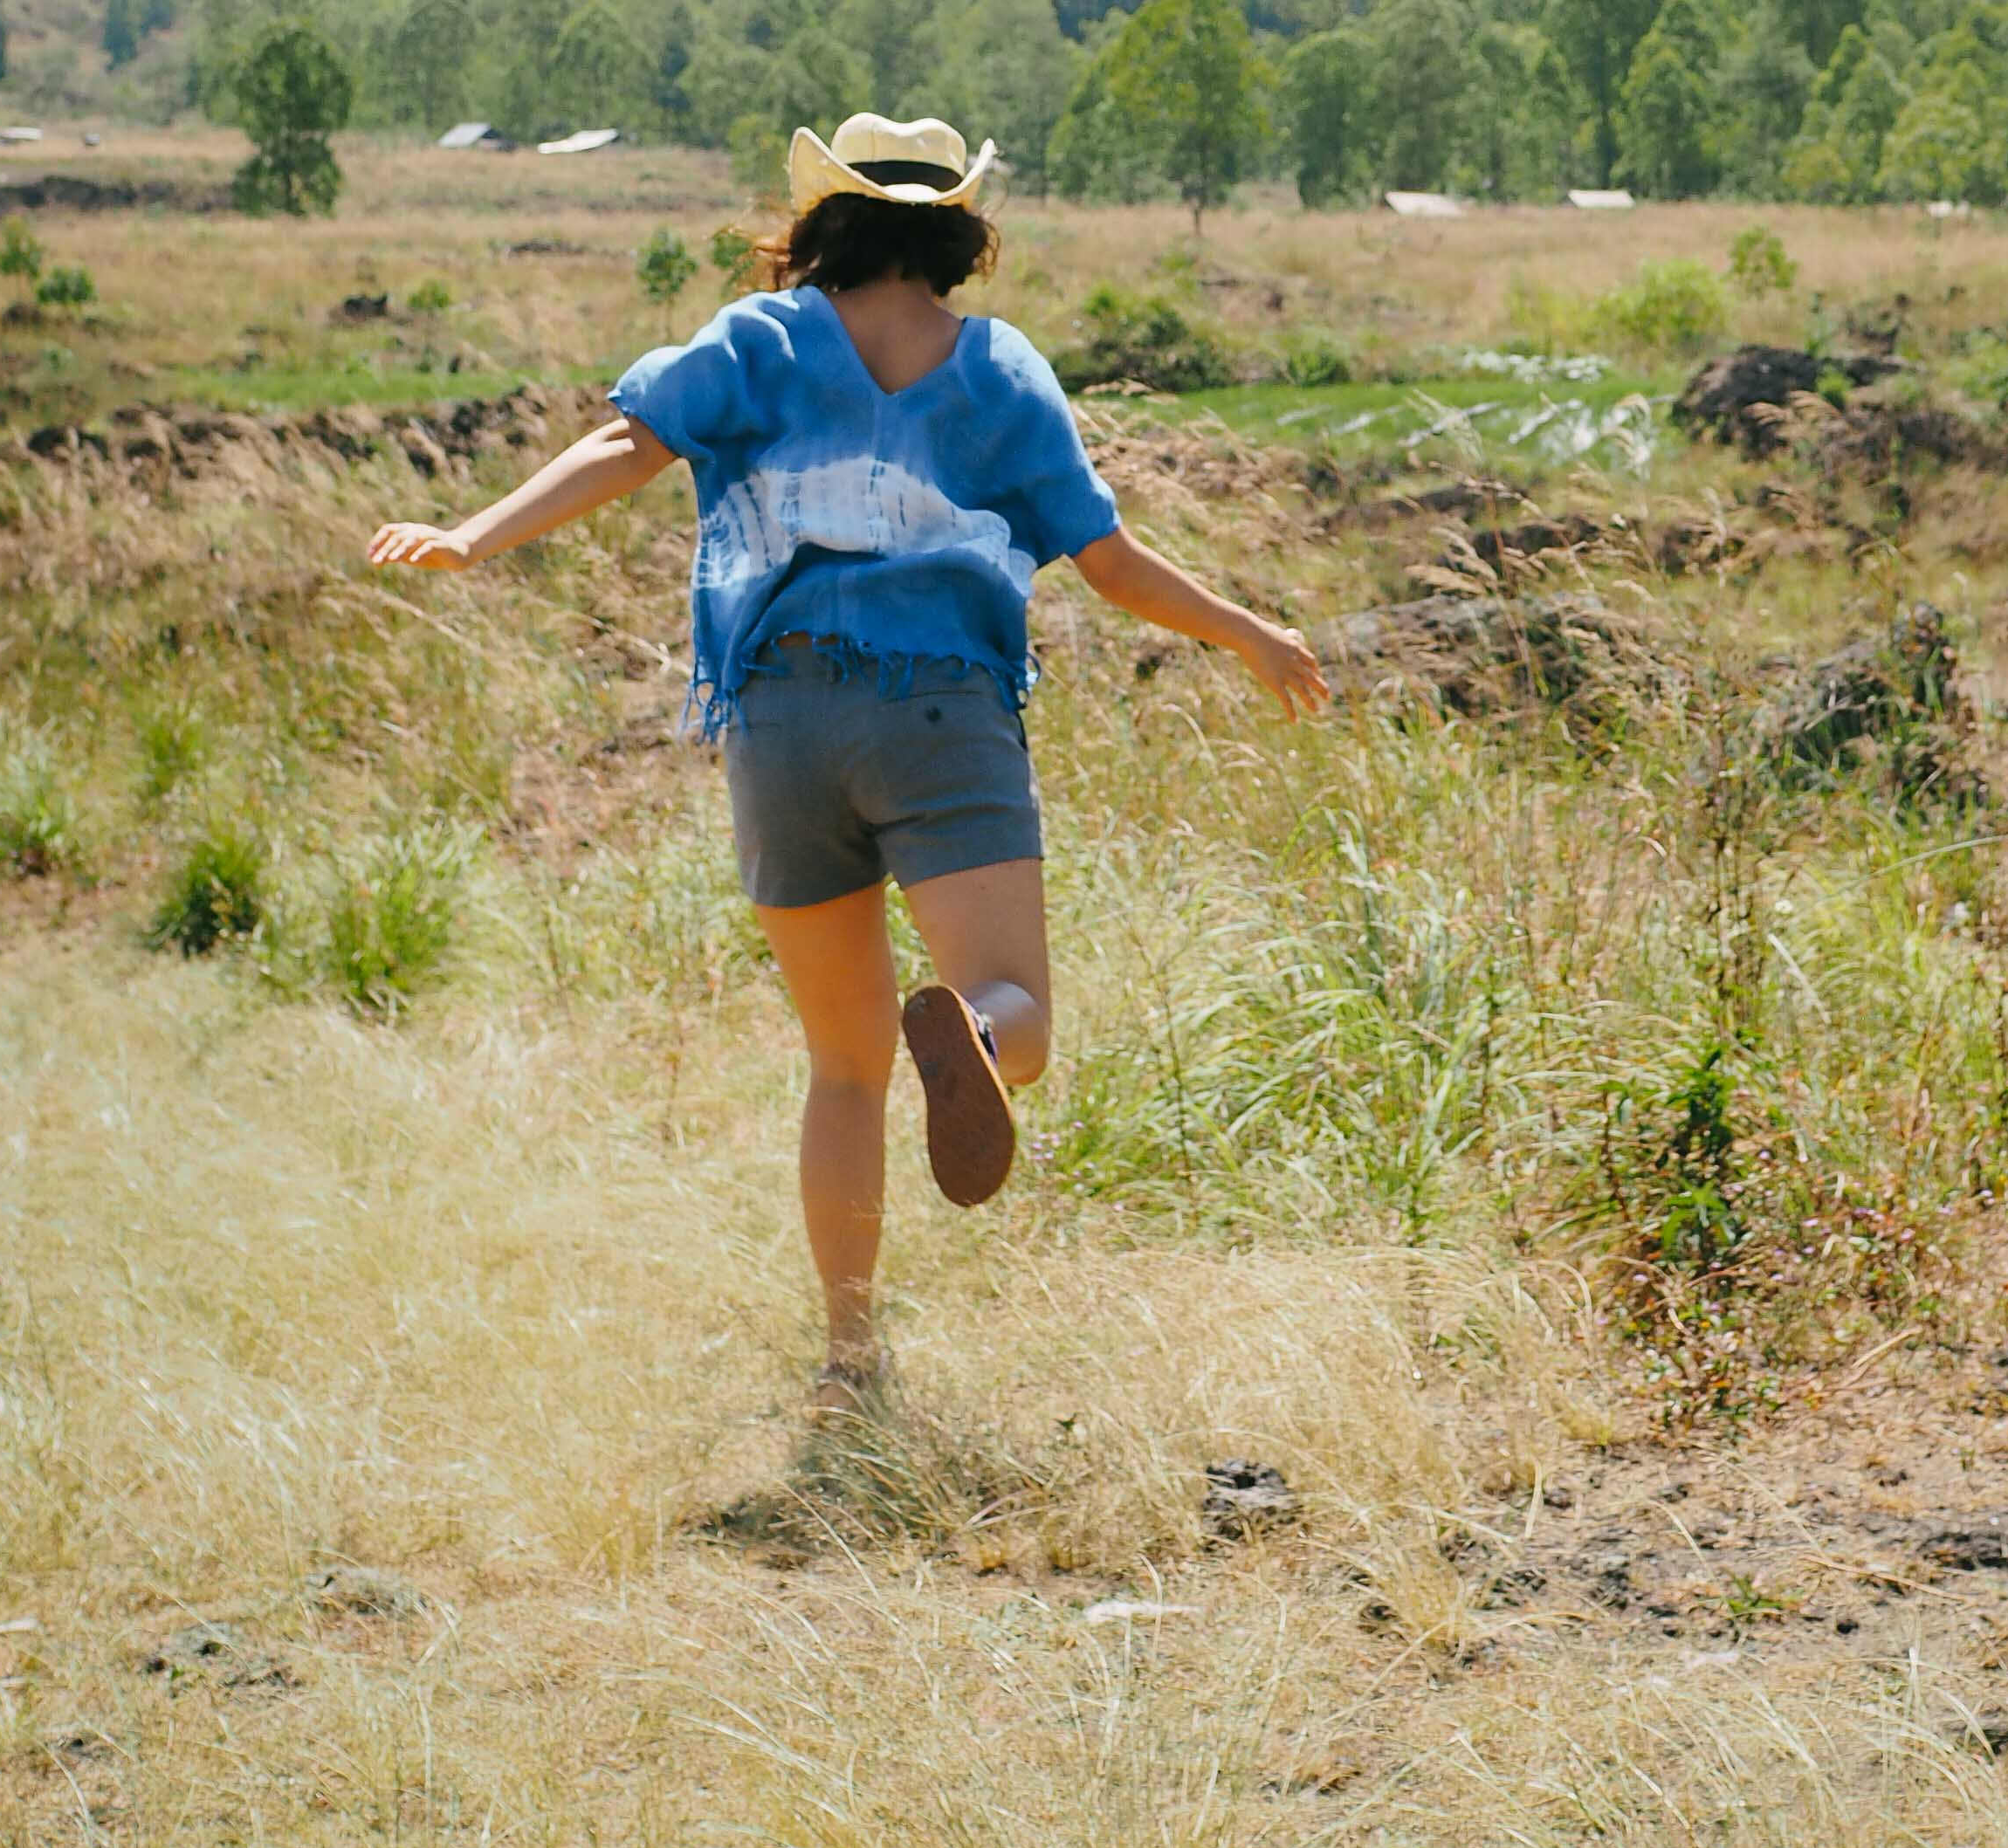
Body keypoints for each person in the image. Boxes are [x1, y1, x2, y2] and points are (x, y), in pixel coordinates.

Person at [366, 110, 1326, 1409]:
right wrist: (1253, 633)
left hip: (779, 724)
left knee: (842, 1063)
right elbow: (1108, 562)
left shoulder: (760, 340)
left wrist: (473, 535)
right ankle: (973, 1038)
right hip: (939, 713)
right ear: (958, 231)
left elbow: (625, 444)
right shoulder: (1000, 370)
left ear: (824, 220)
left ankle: (848, 1358)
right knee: (1018, 1015)